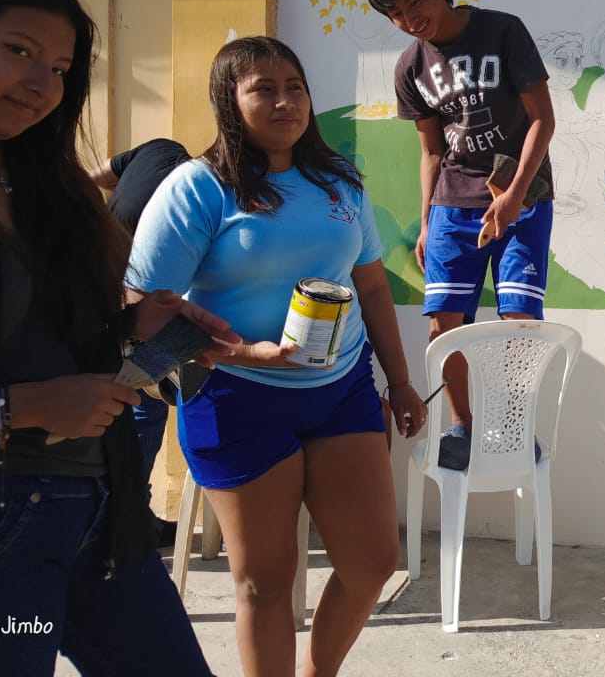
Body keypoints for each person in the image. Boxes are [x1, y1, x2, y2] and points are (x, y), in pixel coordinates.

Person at [0, 0, 239, 676]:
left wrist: (134, 326)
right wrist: (19, 406)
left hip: (103, 517)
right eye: (18, 50)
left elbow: (32, 335)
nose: (41, 83)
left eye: (59, 68)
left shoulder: (47, 190)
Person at [125, 36, 425, 677]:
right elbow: (143, 307)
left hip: (340, 389)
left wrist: (400, 381)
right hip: (234, 396)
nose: (285, 101)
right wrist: (239, 351)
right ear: (228, 101)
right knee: (265, 582)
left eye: (295, 87)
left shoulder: (339, 182)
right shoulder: (198, 188)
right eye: (263, 89)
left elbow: (372, 286)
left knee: (372, 561)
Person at [364, 0, 556, 471]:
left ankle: (514, 427)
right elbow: (431, 151)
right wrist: (428, 222)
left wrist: (515, 195)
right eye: (397, 14)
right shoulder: (410, 67)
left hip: (523, 195)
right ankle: (464, 427)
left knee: (519, 319)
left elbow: (543, 119)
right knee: (444, 323)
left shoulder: (503, 31)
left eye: (416, 3)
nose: (411, 20)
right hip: (453, 202)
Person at [91, 137, 192, 544]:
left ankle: (124, 514)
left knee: (124, 405)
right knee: (142, 405)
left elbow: (94, 176)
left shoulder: (157, 150)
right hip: (130, 301)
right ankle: (126, 518)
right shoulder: (204, 191)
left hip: (94, 284)